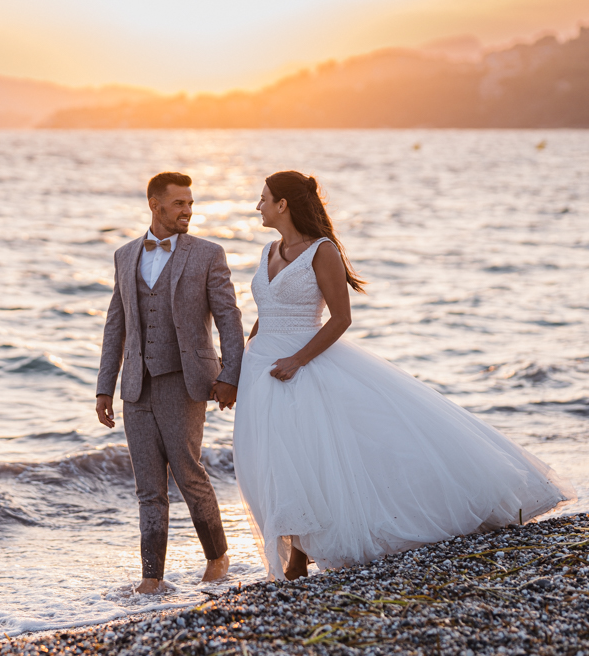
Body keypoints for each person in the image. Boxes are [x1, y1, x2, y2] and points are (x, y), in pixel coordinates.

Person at [233, 170, 575, 581]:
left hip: (303, 364)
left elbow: (341, 318)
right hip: (262, 368)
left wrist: (298, 359)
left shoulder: (322, 252)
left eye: (264, 198)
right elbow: (265, 314)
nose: (258, 206)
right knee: (274, 459)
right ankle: (296, 552)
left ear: (283, 204)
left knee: (312, 456)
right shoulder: (268, 250)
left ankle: (299, 560)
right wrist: (238, 367)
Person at [96, 171, 245, 594]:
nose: (187, 211)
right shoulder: (125, 255)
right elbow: (115, 325)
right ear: (155, 204)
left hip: (184, 382)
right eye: (179, 203)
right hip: (136, 386)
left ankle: (217, 557)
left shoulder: (207, 254)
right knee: (147, 487)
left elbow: (228, 319)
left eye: (191, 204)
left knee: (188, 472)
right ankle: (151, 577)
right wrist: (104, 387)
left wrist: (230, 375)